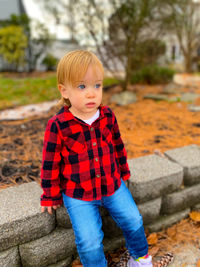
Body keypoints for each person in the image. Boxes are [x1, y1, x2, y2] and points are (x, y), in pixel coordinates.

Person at [40, 50, 153, 267]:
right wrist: (50, 195)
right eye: (82, 86)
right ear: (64, 91)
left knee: (134, 219)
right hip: (79, 194)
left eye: (97, 86)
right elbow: (50, 164)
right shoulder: (58, 125)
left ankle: (139, 258)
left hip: (112, 184)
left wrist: (123, 172)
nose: (92, 93)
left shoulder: (108, 115)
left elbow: (118, 146)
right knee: (89, 241)